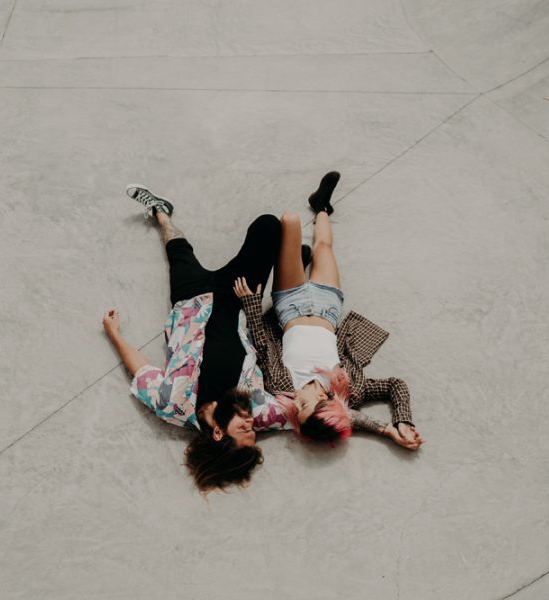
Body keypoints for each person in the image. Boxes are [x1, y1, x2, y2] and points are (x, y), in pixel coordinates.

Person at [102, 186, 291, 492]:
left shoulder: (173, 405)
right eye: (252, 429)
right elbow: (307, 414)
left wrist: (113, 335)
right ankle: (296, 259)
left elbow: (140, 369)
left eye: (244, 430)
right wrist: (386, 428)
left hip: (189, 301)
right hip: (237, 296)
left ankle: (160, 211)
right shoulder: (258, 410)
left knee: (176, 250)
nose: (250, 424)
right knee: (268, 226)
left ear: (218, 434)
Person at [233, 172, 423, 450]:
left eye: (298, 409)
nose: (295, 401)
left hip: (290, 303)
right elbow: (395, 385)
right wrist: (400, 424)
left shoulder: (283, 385)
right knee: (324, 245)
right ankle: (321, 205)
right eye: (305, 403)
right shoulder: (350, 390)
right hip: (328, 306)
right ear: (326, 399)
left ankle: (297, 259)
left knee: (289, 220)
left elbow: (262, 345)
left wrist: (251, 304)